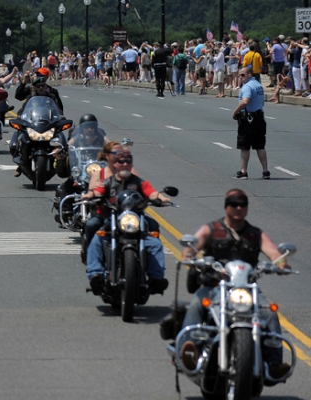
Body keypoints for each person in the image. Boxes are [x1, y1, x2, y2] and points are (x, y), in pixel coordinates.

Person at [176, 189, 291, 379]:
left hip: (246, 290)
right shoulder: (211, 229)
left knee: (270, 313)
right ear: (226, 206)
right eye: (234, 203)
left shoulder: (256, 234)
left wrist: (281, 264)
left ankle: (273, 363)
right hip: (214, 287)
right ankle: (189, 351)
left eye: (242, 204)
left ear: (246, 208)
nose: (238, 207)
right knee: (196, 303)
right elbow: (191, 247)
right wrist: (189, 256)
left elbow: (274, 253)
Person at [83, 145, 171, 295]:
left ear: (131, 164)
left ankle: (156, 278)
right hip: (112, 220)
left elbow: (151, 192)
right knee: (97, 241)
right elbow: (97, 191)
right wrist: (89, 196)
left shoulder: (139, 182)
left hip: (135, 221)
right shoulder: (108, 182)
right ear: (115, 164)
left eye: (128, 162)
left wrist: (161, 198)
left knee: (155, 243)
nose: (124, 164)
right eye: (121, 162)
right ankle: (96, 275)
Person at [232, 68, 270, 179]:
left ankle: (243, 172)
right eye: (240, 75)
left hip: (248, 119)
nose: (241, 77)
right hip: (259, 117)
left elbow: (245, 101)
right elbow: (262, 102)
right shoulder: (258, 85)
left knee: (245, 146)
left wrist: (236, 112)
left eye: (243, 75)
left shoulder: (247, 87)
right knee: (260, 146)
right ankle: (265, 171)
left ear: (249, 74)